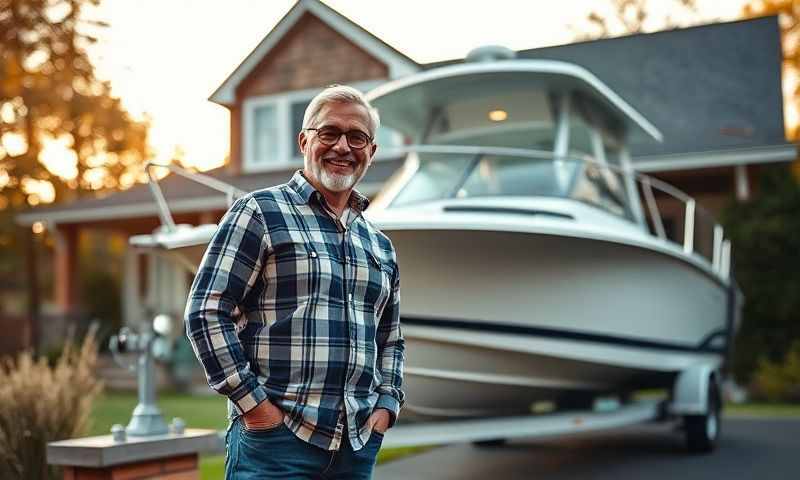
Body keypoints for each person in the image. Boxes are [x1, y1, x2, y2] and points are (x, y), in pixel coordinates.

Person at [185, 84, 404, 479]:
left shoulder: (380, 245)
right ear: (304, 140)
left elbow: (391, 338)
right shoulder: (259, 212)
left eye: (357, 137)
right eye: (329, 133)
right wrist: (257, 410)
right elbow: (206, 312)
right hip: (275, 445)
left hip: (356, 449)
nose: (342, 146)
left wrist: (386, 406)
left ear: (371, 153)